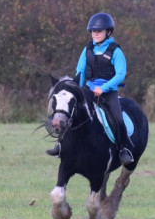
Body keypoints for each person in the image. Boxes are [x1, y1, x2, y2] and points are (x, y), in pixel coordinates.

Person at [47, 12, 136, 169]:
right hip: (87, 90)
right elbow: (80, 72)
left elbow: (120, 74)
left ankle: (124, 149)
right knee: (70, 112)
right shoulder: (87, 49)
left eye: (99, 31)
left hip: (108, 92)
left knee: (118, 118)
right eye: (93, 31)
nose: (95, 34)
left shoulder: (116, 51)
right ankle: (61, 144)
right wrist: (76, 90)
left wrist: (103, 88)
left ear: (108, 32)